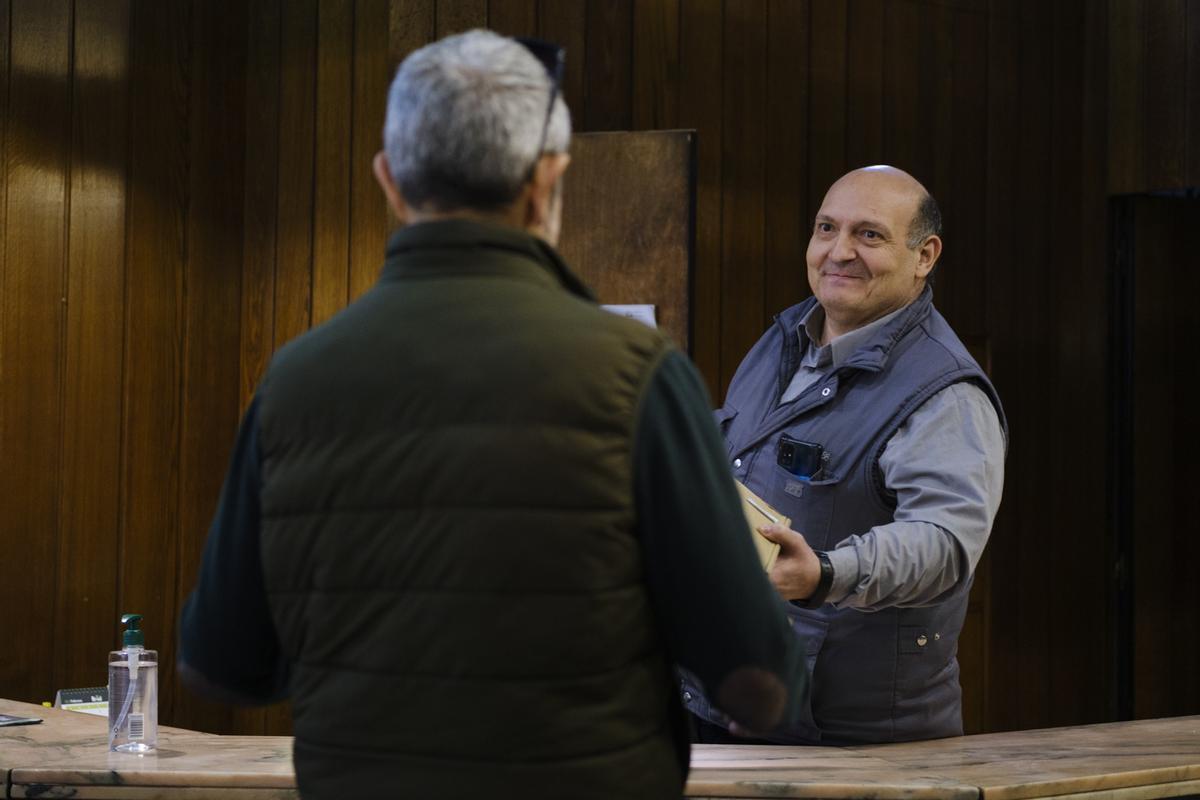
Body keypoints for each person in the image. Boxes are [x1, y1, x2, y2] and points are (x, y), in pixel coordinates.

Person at [177, 29, 806, 800]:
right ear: (546, 180)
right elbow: (757, 684)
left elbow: (221, 663)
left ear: (389, 179)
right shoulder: (638, 376)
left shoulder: (295, 381)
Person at [683, 166, 1007, 746]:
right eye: (826, 228)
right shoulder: (785, 336)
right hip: (732, 699)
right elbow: (743, 452)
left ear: (924, 256)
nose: (839, 251)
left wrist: (826, 574)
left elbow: (943, 544)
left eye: (870, 235)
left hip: (846, 737)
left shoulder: (946, 392)